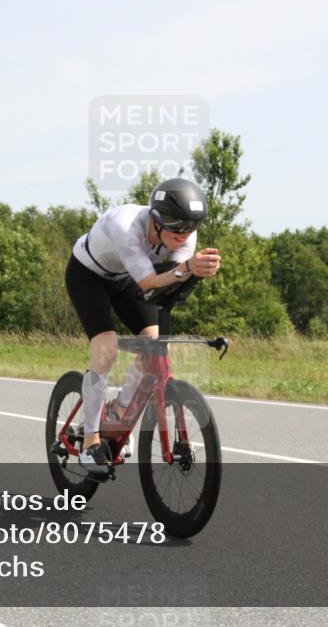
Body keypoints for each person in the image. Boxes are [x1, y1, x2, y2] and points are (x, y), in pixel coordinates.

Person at [66, 178, 222, 474]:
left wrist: (195, 272)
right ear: (157, 219)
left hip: (127, 278)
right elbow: (151, 282)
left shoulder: (186, 235)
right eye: (176, 226)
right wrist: (189, 268)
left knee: (153, 344)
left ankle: (119, 410)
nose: (184, 234)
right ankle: (90, 441)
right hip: (89, 275)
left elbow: (171, 280)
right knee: (106, 347)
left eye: (190, 226)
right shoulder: (126, 226)